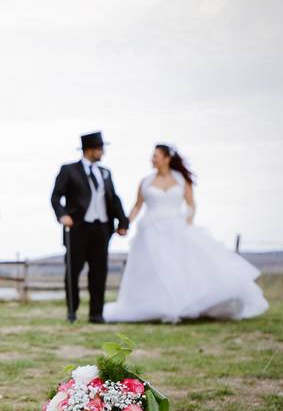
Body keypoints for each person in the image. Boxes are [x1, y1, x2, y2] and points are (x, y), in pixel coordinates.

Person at [104, 144, 268, 323]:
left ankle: (185, 304)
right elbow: (137, 206)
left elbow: (191, 204)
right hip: (151, 232)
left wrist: (187, 221)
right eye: (152, 156)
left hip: (176, 228)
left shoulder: (180, 180)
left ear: (167, 158)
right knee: (157, 270)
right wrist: (126, 224)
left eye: (156, 156)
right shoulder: (145, 182)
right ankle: (160, 306)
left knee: (180, 267)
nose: (152, 159)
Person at [51, 131, 130, 323]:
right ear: (89, 150)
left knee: (99, 272)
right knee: (73, 270)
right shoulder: (69, 170)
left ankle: (96, 314)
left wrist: (123, 222)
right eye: (99, 148)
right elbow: (55, 197)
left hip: (101, 228)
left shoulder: (105, 172)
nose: (102, 152)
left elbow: (114, 198)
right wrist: (63, 216)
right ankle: (72, 311)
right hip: (77, 228)